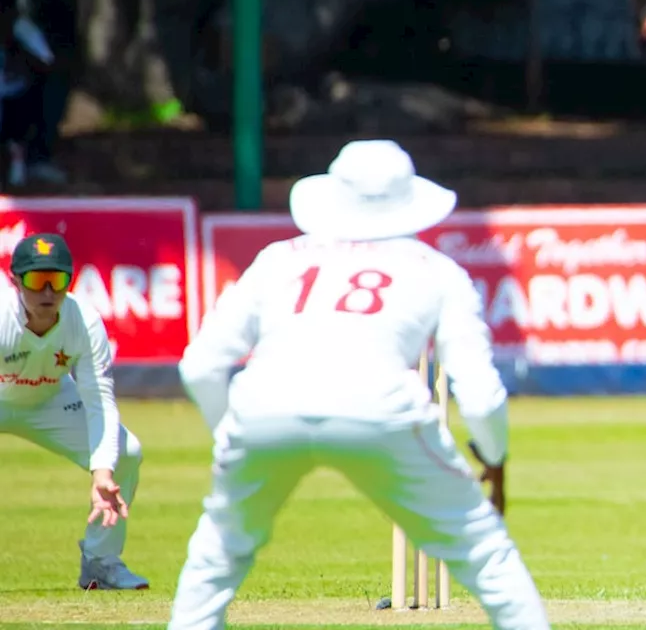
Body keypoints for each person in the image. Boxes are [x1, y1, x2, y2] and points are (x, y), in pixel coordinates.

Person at [169, 140, 549, 630]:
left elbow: (200, 365)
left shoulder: (277, 259)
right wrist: (494, 456)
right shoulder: (437, 270)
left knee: (214, 558)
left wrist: (229, 435)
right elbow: (478, 390)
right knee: (488, 556)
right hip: (381, 409)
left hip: (264, 404)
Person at [0, 233, 148, 589]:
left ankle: (100, 562)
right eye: (37, 281)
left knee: (125, 453)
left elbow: (100, 399)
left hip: (48, 399)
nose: (48, 293)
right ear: (17, 280)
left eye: (58, 280)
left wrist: (102, 472)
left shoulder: (84, 320)